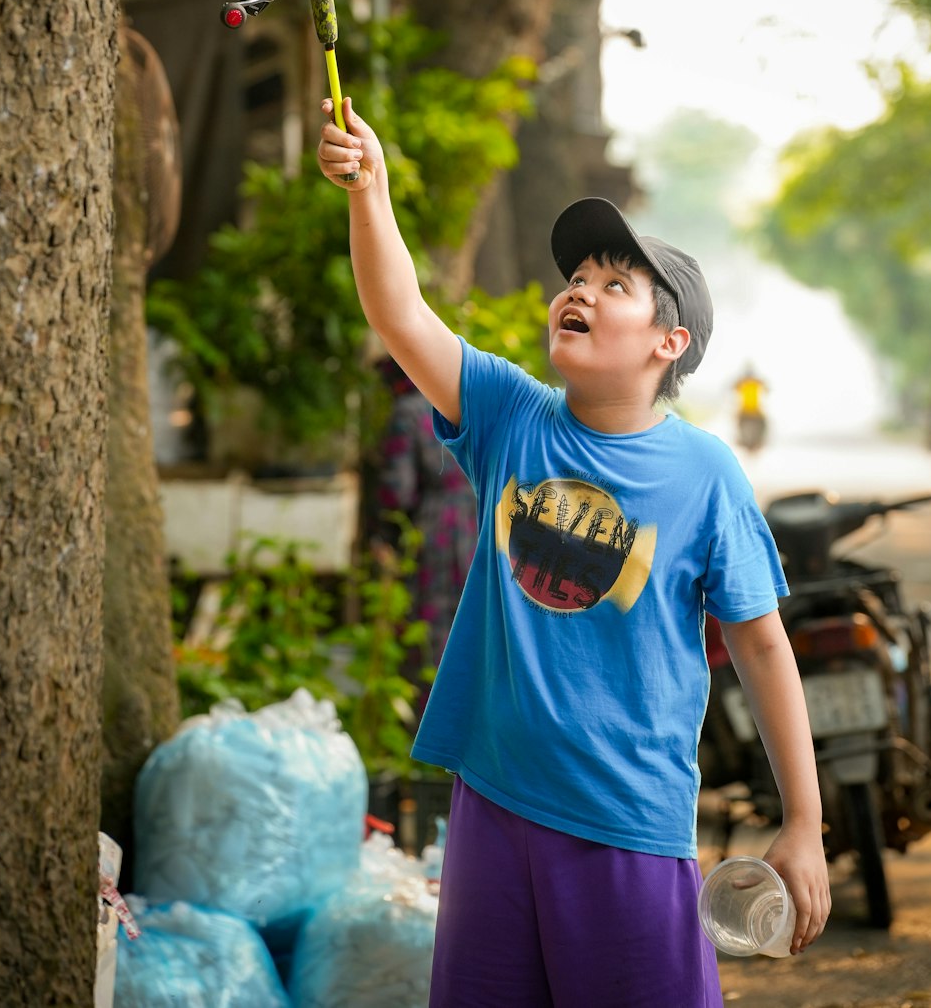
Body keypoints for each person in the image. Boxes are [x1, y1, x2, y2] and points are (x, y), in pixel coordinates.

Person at [319, 97, 830, 1008]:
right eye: (578, 276)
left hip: (627, 825)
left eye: (615, 284)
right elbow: (400, 315)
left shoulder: (705, 474)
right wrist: (372, 192)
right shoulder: (511, 415)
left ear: (668, 344)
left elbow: (761, 645)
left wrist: (805, 821)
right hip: (493, 803)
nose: (580, 291)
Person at [371, 356, 478, 675]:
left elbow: (397, 490)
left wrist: (384, 535)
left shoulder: (409, 412)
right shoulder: (466, 404)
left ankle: (430, 717)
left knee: (431, 629)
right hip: (479, 522)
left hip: (436, 529)